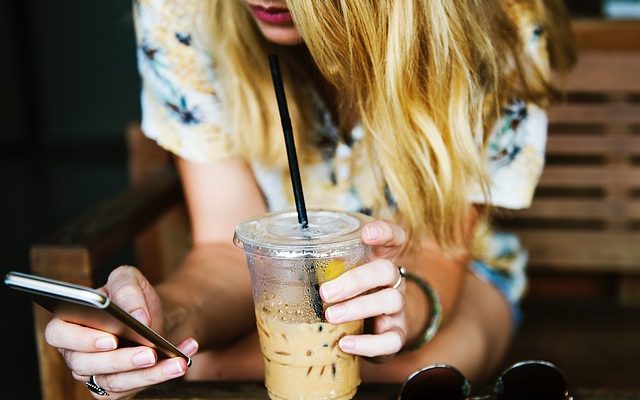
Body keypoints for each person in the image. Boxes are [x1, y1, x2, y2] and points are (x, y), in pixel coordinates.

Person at [44, 0, 575, 398]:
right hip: (273, 293)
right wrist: (168, 321)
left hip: (447, 274)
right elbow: (226, 249)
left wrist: (401, 309)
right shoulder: (184, 13)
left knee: (430, 364)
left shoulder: (496, 21)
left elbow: (442, 251)